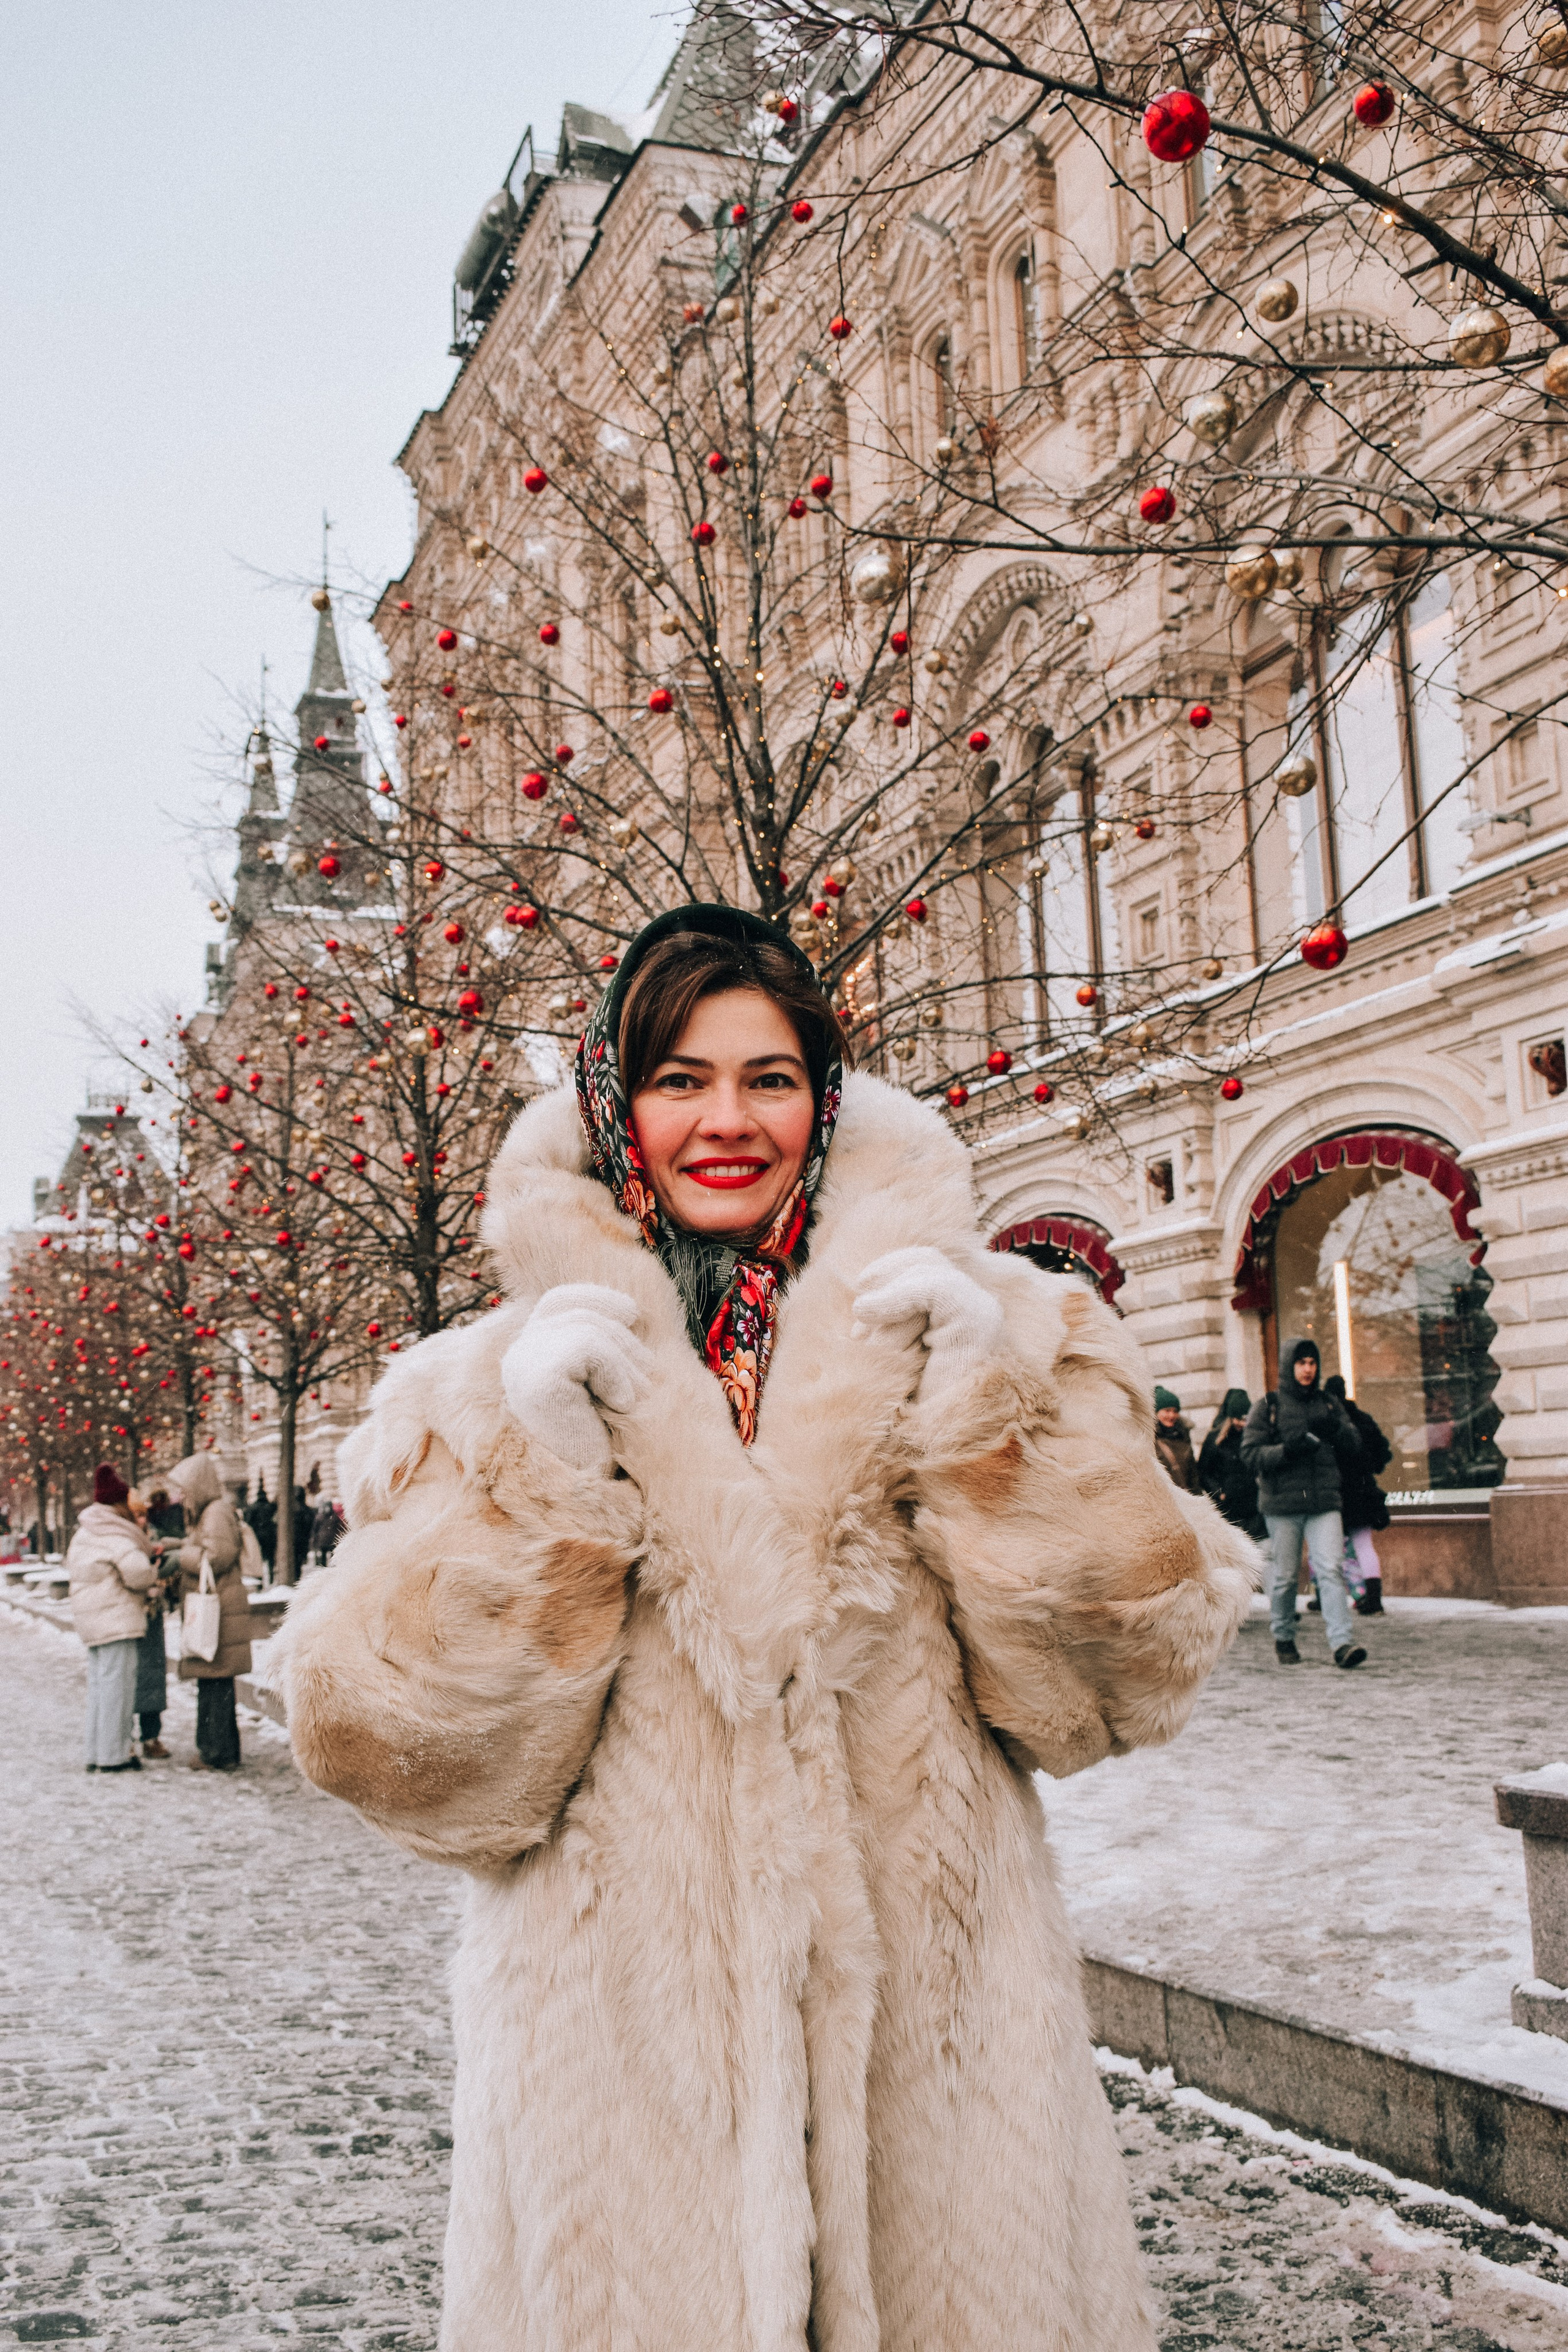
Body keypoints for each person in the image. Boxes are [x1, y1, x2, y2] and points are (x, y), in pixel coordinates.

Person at [277, 903, 1256, 2351]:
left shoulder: (994, 1326)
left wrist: (989, 1423)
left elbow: (1113, 1686)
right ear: (615, 1104)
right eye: (678, 1079)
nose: (726, 1119)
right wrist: (545, 1492)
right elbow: (404, 1760)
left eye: (769, 1077)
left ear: (825, 1096)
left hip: (942, 2094)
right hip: (620, 2111)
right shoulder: (484, 1382)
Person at [1242, 1340, 1368, 1669]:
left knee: (1331, 1570)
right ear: (1289, 1366)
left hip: (1324, 1501)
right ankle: (1284, 1637)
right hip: (1282, 1506)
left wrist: (1336, 1430)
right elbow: (1250, 1454)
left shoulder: (1328, 1403)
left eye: (1312, 1362)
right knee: (1286, 1577)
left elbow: (1355, 1444)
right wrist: (1287, 1451)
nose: (1308, 1369)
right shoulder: (1268, 1405)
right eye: (1301, 1363)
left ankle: (1342, 1644)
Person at [66, 1463, 159, 1774]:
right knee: (118, 1690)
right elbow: (139, 1573)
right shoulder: (114, 1533)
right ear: (118, 1504)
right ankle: (114, 1755)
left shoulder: (86, 1531)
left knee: (99, 1689)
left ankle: (96, 1752)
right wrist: (154, 1572)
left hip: (93, 1619)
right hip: (116, 1619)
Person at [167, 1452, 251, 1771]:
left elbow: (217, 1555)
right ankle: (222, 1751)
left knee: (215, 1685)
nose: (181, 1497)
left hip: (219, 1613)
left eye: (184, 1489)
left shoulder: (215, 1512)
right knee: (215, 1684)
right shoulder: (212, 1512)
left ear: (198, 1485)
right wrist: (177, 1546)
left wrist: (180, 1557)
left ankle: (215, 1752)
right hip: (222, 1609)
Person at [1323, 1375, 1392, 1615]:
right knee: (1364, 1545)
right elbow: (1383, 1452)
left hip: (1336, 1493)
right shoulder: (1362, 1419)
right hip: (1363, 1491)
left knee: (1329, 1549)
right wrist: (1369, 1467)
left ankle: (1325, 1597)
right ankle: (1373, 1598)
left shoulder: (1329, 1423)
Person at [127, 1487, 172, 1758]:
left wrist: (162, 1573)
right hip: (130, 1616)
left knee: (152, 1678)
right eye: (136, 1515)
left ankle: (151, 1736)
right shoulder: (123, 1541)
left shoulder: (153, 1538)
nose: (142, 1520)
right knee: (129, 1679)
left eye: (143, 1514)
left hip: (152, 1617)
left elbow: (161, 1573)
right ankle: (127, 1737)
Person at [1197, 1388, 1266, 1538]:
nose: (1243, 1424)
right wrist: (1219, 1494)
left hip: (1254, 1507)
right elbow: (1203, 1472)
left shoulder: (1253, 1436)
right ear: (1231, 1418)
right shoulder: (1215, 1439)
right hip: (1228, 1508)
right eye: (1239, 1419)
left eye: (1246, 1419)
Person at [1153, 1385, 1200, 1491]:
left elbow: (1193, 1475)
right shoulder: (1151, 1440)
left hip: (1186, 1495)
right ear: (1156, 1413)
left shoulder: (1183, 1435)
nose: (1172, 1415)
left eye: (1175, 1411)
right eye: (1167, 1411)